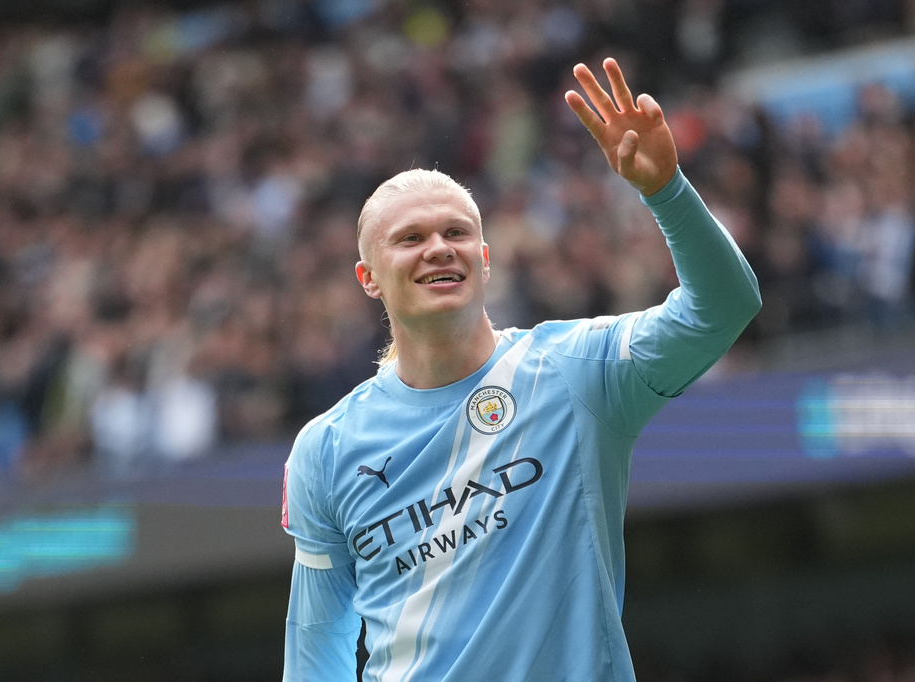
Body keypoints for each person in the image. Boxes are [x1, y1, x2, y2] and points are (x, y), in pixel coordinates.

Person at [281, 58, 761, 681]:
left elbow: (722, 309)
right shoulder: (325, 449)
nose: (437, 248)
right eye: (409, 238)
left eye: (456, 232)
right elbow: (317, 651)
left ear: (483, 259)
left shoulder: (572, 373)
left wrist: (665, 190)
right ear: (368, 278)